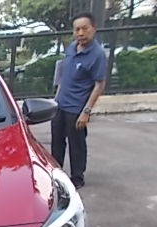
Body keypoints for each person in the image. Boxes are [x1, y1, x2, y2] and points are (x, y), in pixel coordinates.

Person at [51, 12, 107, 189]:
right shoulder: (72, 48)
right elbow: (64, 75)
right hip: (60, 104)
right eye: (77, 29)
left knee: (76, 145)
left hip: (77, 108)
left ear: (94, 29)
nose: (81, 33)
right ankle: (56, 175)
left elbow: (99, 85)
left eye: (85, 28)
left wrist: (86, 112)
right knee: (57, 142)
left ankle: (77, 178)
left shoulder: (97, 54)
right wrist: (56, 99)